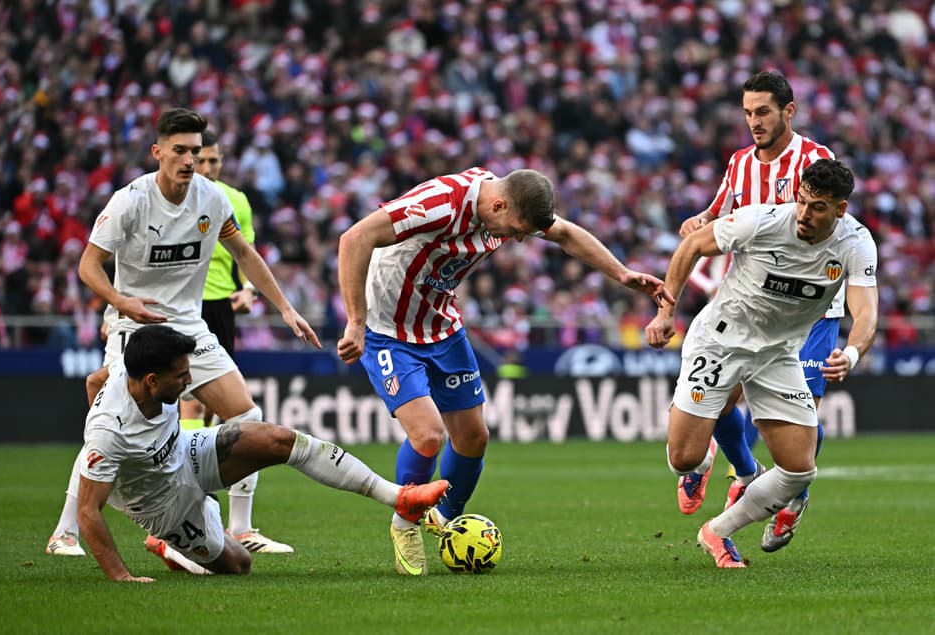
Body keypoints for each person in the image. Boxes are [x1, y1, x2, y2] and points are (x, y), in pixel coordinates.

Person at [337, 167, 674, 575]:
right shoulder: (438, 205)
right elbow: (355, 238)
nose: (517, 239)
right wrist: (355, 321)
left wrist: (621, 274)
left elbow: (565, 234)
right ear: (498, 205)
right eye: (515, 229)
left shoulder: (509, 203)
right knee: (427, 435)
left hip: (442, 327)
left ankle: (444, 518)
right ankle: (405, 522)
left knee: (474, 437)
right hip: (389, 331)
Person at [46, 108, 318, 557]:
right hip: (136, 329)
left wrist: (285, 308)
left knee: (248, 419)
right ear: (158, 152)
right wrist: (121, 302)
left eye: (196, 151)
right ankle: (64, 531)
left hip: (190, 326)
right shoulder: (129, 201)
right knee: (105, 427)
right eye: (180, 151)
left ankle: (241, 527)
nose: (190, 159)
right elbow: (87, 265)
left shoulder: (212, 199)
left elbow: (245, 255)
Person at [77, 324, 449, 581]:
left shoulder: (123, 373)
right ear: (152, 381)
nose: (189, 381)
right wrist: (121, 576)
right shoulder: (110, 431)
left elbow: (94, 380)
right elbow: (87, 511)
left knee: (279, 439)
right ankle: (169, 544)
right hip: (163, 504)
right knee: (240, 565)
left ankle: (399, 497)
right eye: (181, 376)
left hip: (185, 452)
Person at [647, 158, 877, 567]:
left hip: (778, 354)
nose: (805, 214)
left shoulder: (856, 244)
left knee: (799, 469)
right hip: (719, 342)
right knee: (684, 457)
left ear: (840, 209)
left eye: (818, 207)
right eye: (802, 201)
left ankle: (717, 532)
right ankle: (699, 444)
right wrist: (667, 313)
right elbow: (692, 245)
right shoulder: (761, 221)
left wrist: (853, 352)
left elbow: (866, 312)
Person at [676, 71, 838, 551]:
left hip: (809, 310)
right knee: (721, 402)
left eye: (763, 111)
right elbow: (720, 210)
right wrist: (701, 220)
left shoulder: (815, 160)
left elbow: (830, 224)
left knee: (803, 412)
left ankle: (793, 496)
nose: (754, 122)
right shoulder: (740, 163)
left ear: (789, 111)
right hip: (747, 307)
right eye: (747, 113)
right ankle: (746, 472)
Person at [173, 130, 291, 553]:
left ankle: (236, 526)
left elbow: (247, 253)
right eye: (200, 160)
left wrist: (249, 291)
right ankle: (189, 517)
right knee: (193, 404)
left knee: (230, 413)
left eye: (213, 161)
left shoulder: (232, 200)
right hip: (182, 308)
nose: (206, 168)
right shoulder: (173, 195)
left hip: (221, 306)